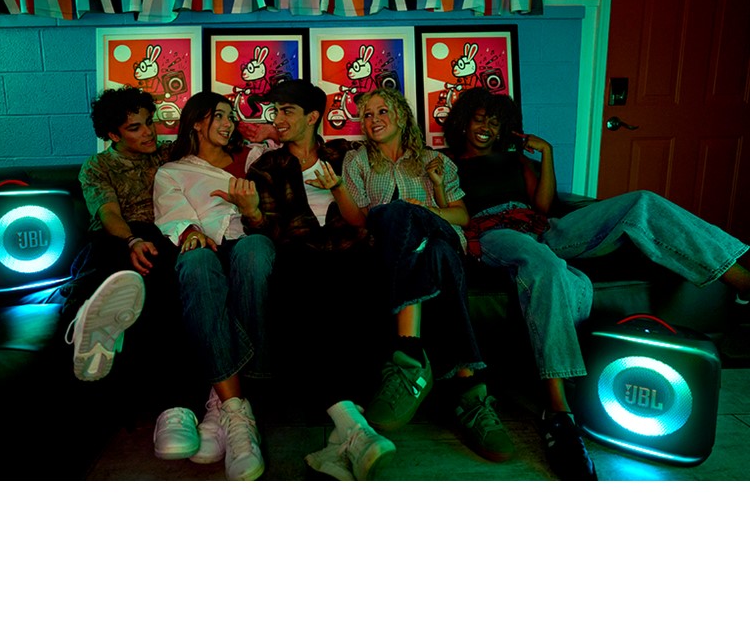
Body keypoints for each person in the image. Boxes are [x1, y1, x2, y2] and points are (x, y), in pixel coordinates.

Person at [442, 86, 750, 480]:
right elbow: (452, 212)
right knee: (546, 266)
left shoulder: (516, 161)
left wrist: (547, 153)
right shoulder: (448, 164)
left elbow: (546, 207)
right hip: (495, 233)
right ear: (464, 121)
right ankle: (557, 410)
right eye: (479, 118)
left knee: (642, 201)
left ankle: (742, 279)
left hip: (543, 228)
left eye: (495, 120)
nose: (486, 126)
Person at [329, 86, 514, 464]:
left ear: (400, 116)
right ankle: (471, 393)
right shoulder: (358, 160)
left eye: (382, 111)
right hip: (395, 249)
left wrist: (423, 208)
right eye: (366, 115)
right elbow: (361, 220)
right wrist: (341, 190)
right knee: (413, 231)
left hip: (438, 230)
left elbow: (462, 217)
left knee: (415, 220)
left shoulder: (434, 162)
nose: (373, 119)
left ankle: (409, 356)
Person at [243, 79, 397, 480]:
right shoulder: (266, 167)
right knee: (300, 296)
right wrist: (251, 213)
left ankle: (341, 439)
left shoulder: (347, 154)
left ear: (313, 117)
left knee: (367, 290)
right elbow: (270, 231)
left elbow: (367, 206)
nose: (277, 119)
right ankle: (356, 430)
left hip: (352, 251)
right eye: (274, 112)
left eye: (287, 111)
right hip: (302, 255)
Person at [64, 85, 202, 463]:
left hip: (161, 236)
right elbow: (108, 214)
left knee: (163, 280)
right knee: (117, 260)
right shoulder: (98, 167)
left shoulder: (166, 156)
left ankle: (99, 324)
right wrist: (130, 241)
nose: (149, 133)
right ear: (112, 135)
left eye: (149, 123)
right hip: (116, 238)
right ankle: (90, 317)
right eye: (135, 128)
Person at [153, 91, 275, 481]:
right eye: (219, 116)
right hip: (201, 247)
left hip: (244, 242)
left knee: (255, 250)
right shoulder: (170, 172)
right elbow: (172, 216)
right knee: (198, 261)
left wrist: (252, 211)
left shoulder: (254, 159)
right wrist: (190, 231)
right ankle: (236, 410)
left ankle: (216, 405)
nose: (228, 123)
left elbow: (271, 221)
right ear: (196, 123)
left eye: (230, 116)